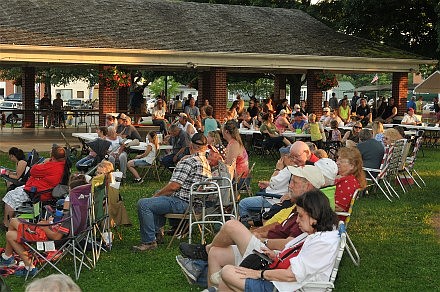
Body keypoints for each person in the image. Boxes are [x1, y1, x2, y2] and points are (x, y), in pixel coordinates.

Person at [177, 165, 326, 287]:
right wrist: (259, 232)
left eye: (294, 182)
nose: (290, 186)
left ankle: (203, 251)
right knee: (216, 252)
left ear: (308, 186)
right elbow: (277, 226)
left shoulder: (309, 213)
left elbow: (289, 244)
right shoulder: (298, 207)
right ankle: (214, 286)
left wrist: (262, 240)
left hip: (269, 255)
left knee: (232, 225)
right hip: (267, 249)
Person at [214, 189, 339, 291]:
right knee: (228, 274)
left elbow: (291, 276)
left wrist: (258, 274)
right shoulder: (318, 234)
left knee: (228, 272)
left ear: (314, 215)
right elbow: (297, 255)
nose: (297, 220)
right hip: (280, 275)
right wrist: (276, 255)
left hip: (283, 286)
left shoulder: (322, 243)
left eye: (301, 216)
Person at [134, 133, 211, 251]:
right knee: (158, 196)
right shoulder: (205, 162)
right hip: (198, 203)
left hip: (183, 203)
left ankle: (149, 241)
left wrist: (157, 196)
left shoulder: (189, 161)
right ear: (205, 147)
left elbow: (174, 186)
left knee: (144, 204)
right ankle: (157, 232)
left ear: (190, 145)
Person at [0, 174, 86, 277]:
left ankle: (14, 259)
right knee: (10, 234)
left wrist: (44, 227)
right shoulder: (81, 209)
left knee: (13, 222)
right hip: (53, 231)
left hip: (48, 238)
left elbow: (56, 237)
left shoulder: (69, 217)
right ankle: (17, 261)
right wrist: (51, 223)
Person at [2, 146, 66, 228]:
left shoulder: (51, 166)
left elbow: (33, 170)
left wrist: (45, 162)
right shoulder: (63, 165)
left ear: (53, 157)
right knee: (14, 192)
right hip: (41, 189)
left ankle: (7, 224)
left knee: (10, 196)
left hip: (37, 192)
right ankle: (11, 220)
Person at [335, 147, 366, 212]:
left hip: (334, 218)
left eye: (341, 161)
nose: (337, 163)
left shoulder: (348, 182)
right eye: (338, 160)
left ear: (352, 166)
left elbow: (338, 208)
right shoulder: (350, 178)